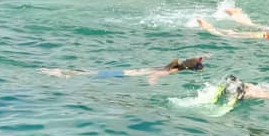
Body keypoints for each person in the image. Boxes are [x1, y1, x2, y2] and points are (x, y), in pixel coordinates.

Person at [43, 57, 205, 84]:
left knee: (86, 72)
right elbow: (157, 74)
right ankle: (56, 73)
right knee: (81, 75)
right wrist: (152, 82)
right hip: (122, 75)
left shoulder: (173, 65)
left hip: (125, 71)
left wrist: (203, 57)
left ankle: (56, 71)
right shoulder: (173, 70)